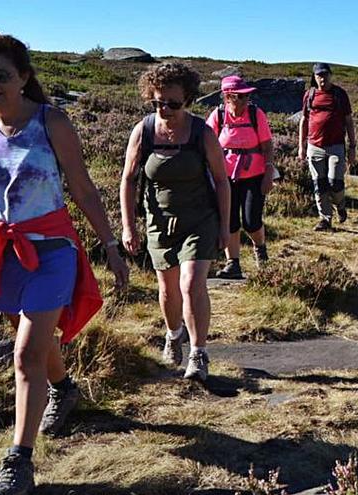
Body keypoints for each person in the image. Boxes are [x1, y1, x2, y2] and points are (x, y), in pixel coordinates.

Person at [0, 34, 129, 495]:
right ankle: (64, 388)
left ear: (25, 78)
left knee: (25, 354)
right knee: (31, 342)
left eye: (2, 75)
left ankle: (19, 462)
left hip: (51, 253)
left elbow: (84, 189)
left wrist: (111, 246)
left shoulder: (52, 122)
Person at [119, 63, 230, 383]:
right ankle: (173, 333)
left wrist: (224, 227)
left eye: (172, 103)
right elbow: (128, 180)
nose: (164, 109)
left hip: (199, 220)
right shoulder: (144, 131)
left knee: (192, 283)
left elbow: (222, 182)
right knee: (168, 291)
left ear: (189, 99)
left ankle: (199, 353)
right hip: (159, 223)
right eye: (157, 103)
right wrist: (129, 226)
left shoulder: (202, 133)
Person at [206, 76, 276, 279]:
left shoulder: (256, 114)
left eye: (247, 96)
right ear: (227, 97)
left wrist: (269, 172)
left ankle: (260, 250)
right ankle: (233, 264)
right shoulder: (218, 115)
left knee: (251, 220)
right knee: (229, 221)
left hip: (255, 175)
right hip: (224, 177)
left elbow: (267, 146)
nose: (246, 100)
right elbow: (208, 143)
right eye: (240, 96)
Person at [298, 62, 356, 231]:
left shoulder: (340, 94)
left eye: (325, 74)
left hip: (336, 146)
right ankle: (325, 219)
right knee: (319, 184)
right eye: (319, 75)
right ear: (314, 77)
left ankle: (340, 205)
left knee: (335, 182)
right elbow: (304, 120)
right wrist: (301, 146)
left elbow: (349, 122)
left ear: (330, 75)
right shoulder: (309, 95)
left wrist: (352, 147)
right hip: (314, 146)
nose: (322, 78)